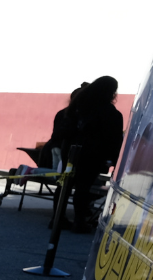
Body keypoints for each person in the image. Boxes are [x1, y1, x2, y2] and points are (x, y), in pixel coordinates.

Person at [47, 76, 123, 233]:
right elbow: (114, 139)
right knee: (83, 188)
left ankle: (57, 218)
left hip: (70, 152)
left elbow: (62, 131)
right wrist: (115, 161)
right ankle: (79, 222)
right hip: (92, 155)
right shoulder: (109, 112)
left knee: (64, 185)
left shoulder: (77, 107)